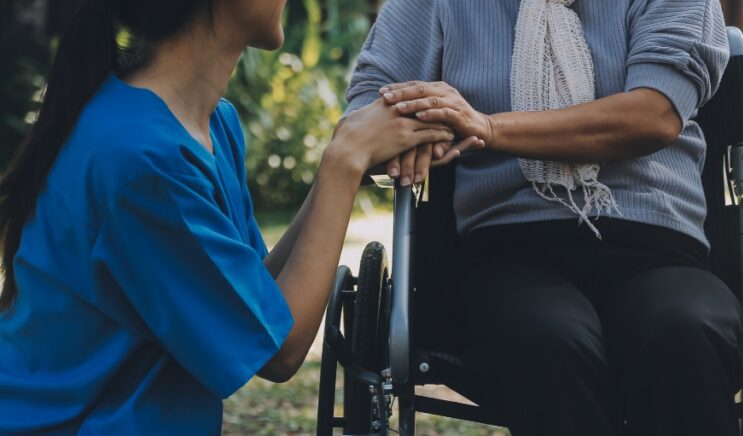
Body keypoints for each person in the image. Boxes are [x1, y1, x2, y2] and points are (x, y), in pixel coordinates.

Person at [0, 0, 477, 433]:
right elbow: (279, 352)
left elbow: (256, 298)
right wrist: (343, 163)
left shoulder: (210, 124)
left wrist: (346, 151)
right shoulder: (143, 162)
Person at [345, 0, 743, 434]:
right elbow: (366, 116)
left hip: (658, 247)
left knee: (685, 327)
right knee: (549, 336)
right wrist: (422, 120)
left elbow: (655, 115)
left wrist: (487, 127)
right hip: (507, 254)